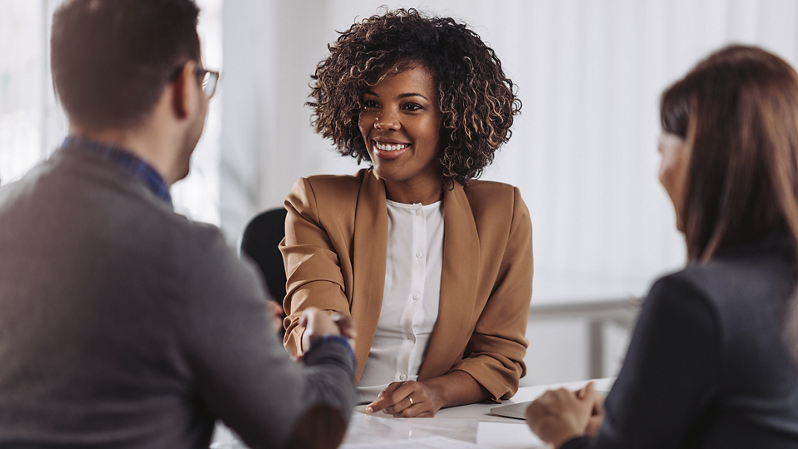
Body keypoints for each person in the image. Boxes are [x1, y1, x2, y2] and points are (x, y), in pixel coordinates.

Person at [0, 1, 356, 448]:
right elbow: (310, 433)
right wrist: (330, 346)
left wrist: (232, 329)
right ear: (186, 88)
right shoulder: (191, 261)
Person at [526, 45, 798, 448]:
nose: (659, 172)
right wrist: (628, 418)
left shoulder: (693, 300)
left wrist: (562, 430)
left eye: (662, 149)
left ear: (702, 157)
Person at [281, 8, 533, 418]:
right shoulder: (317, 203)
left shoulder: (501, 214)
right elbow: (318, 316)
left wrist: (435, 392)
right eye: (371, 104)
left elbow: (500, 357)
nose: (384, 123)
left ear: (451, 117)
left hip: (442, 425)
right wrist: (315, 332)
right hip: (338, 419)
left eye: (411, 107)